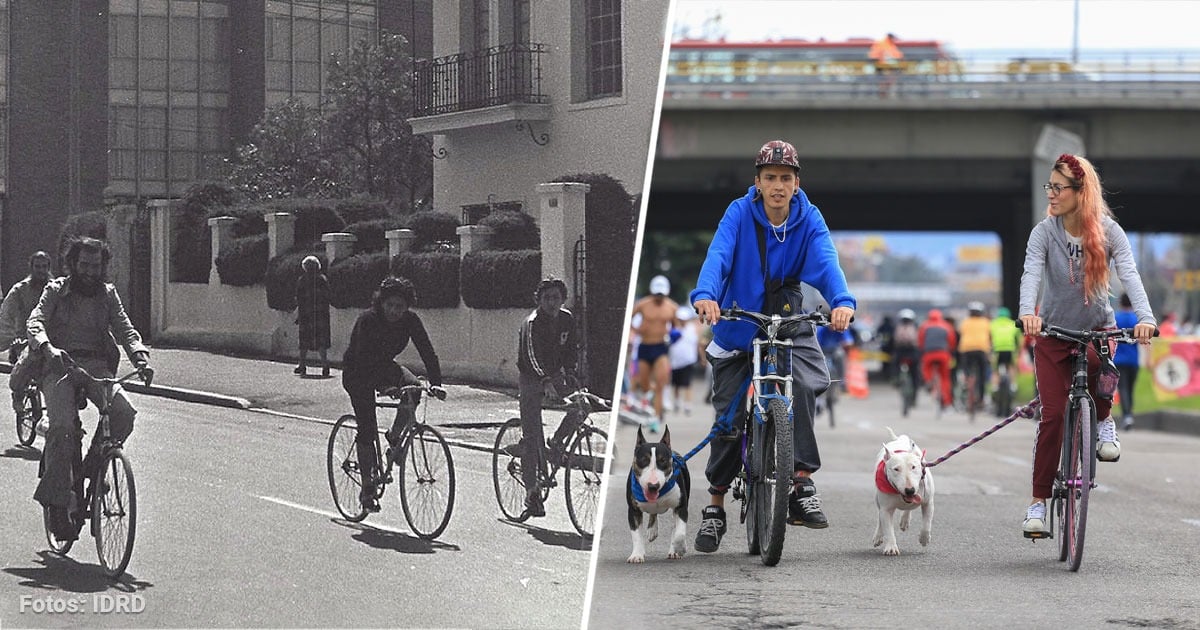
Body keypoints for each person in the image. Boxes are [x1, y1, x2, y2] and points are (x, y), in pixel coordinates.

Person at [690, 139, 856, 553]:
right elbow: (719, 255)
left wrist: (842, 302)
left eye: (785, 178)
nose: (778, 186)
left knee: (802, 382)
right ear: (758, 183)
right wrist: (707, 294)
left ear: (796, 184)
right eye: (770, 178)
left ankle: (800, 480)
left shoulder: (808, 218)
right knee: (727, 419)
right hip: (737, 323)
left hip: (786, 322)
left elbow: (826, 261)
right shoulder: (739, 212)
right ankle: (714, 507)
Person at [1017, 153, 1156, 537]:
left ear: (1081, 193)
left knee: (1103, 374)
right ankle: (1037, 505)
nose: (1051, 194)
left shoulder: (1109, 232)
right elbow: (1031, 274)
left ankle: (1105, 420)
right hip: (1053, 336)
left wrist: (1146, 318)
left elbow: (1129, 272)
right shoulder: (1043, 233)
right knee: (1053, 415)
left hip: (1097, 331)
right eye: (1050, 186)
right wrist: (1028, 312)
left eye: (1058, 188)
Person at [27, 237, 152, 541]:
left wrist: (140, 355)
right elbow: (36, 321)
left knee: (123, 413)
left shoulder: (108, 295)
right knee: (61, 428)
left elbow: (124, 327)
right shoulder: (56, 290)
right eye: (84, 265)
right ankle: (57, 501)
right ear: (72, 264)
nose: (89, 272)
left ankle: (92, 471)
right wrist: (47, 347)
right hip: (61, 366)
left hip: (97, 368)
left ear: (103, 267)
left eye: (96, 266)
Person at [341, 276, 445, 513]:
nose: (395, 311)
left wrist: (437, 383)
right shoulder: (368, 320)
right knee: (367, 428)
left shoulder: (410, 321)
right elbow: (361, 357)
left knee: (414, 389)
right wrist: (384, 387)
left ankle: (394, 438)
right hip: (358, 372)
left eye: (400, 306)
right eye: (390, 305)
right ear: (381, 302)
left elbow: (427, 352)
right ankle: (367, 486)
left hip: (385, 366)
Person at [516, 277, 583, 518]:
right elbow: (531, 356)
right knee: (532, 435)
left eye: (556, 297)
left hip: (554, 374)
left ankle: (556, 443)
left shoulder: (566, 319)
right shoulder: (532, 323)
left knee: (581, 406)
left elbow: (571, 349)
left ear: (562, 299)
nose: (551, 302)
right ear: (539, 300)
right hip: (532, 378)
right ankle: (532, 491)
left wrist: (571, 373)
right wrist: (545, 381)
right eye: (546, 298)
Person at [1, 251, 53, 421]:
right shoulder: (20, 290)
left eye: (44, 267)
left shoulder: (55, 288)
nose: (41, 271)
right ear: (31, 267)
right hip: (24, 341)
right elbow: (6, 316)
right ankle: (18, 394)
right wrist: (11, 340)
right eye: (37, 267)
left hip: (51, 341)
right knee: (24, 365)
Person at [629, 275, 680, 431]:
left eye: (661, 294)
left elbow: (677, 328)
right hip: (645, 345)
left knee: (660, 384)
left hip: (660, 348)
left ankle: (656, 419)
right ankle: (650, 402)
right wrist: (636, 330)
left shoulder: (672, 307)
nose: (659, 297)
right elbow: (629, 318)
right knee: (644, 384)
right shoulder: (643, 305)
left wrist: (673, 336)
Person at [294, 255, 331, 377]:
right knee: (321, 340)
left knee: (304, 340)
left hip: (306, 313)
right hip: (321, 314)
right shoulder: (322, 279)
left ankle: (302, 365)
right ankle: (325, 365)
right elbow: (327, 296)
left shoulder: (302, 280)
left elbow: (299, 299)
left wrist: (298, 315)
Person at [668, 304, 704, 416]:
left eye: (684, 319)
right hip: (675, 361)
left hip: (688, 361)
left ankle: (688, 404)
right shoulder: (673, 330)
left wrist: (702, 357)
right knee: (676, 384)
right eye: (680, 319)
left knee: (687, 383)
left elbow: (698, 343)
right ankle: (677, 402)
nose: (682, 321)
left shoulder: (692, 329)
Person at [918, 309, 957, 409]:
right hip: (943, 354)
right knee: (945, 378)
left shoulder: (924, 326)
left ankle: (928, 381)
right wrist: (950, 351)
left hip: (929, 354)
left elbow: (920, 341)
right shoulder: (946, 326)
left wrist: (923, 350)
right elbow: (952, 340)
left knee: (926, 368)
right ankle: (946, 401)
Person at [1112, 294, 1141, 430]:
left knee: (1122, 388)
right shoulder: (1137, 319)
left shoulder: (1116, 318)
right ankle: (1129, 415)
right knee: (1130, 388)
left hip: (1119, 359)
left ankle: (1127, 416)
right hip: (1133, 359)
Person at [957, 301, 992, 410]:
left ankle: (967, 384)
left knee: (965, 369)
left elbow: (960, 333)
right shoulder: (986, 322)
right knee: (981, 375)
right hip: (982, 349)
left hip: (966, 349)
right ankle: (981, 399)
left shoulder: (964, 322)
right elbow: (990, 336)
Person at [989, 306, 1022, 414]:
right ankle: (1013, 385)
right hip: (1010, 349)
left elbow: (989, 338)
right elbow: (1020, 340)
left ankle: (994, 387)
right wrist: (1018, 351)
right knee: (1011, 367)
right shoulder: (1012, 323)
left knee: (995, 370)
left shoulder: (993, 324)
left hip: (997, 350)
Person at [891, 308, 921, 393]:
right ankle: (915, 386)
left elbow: (893, 340)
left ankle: (896, 380)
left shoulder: (897, 327)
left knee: (896, 365)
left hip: (901, 351)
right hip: (912, 351)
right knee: (915, 372)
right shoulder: (915, 327)